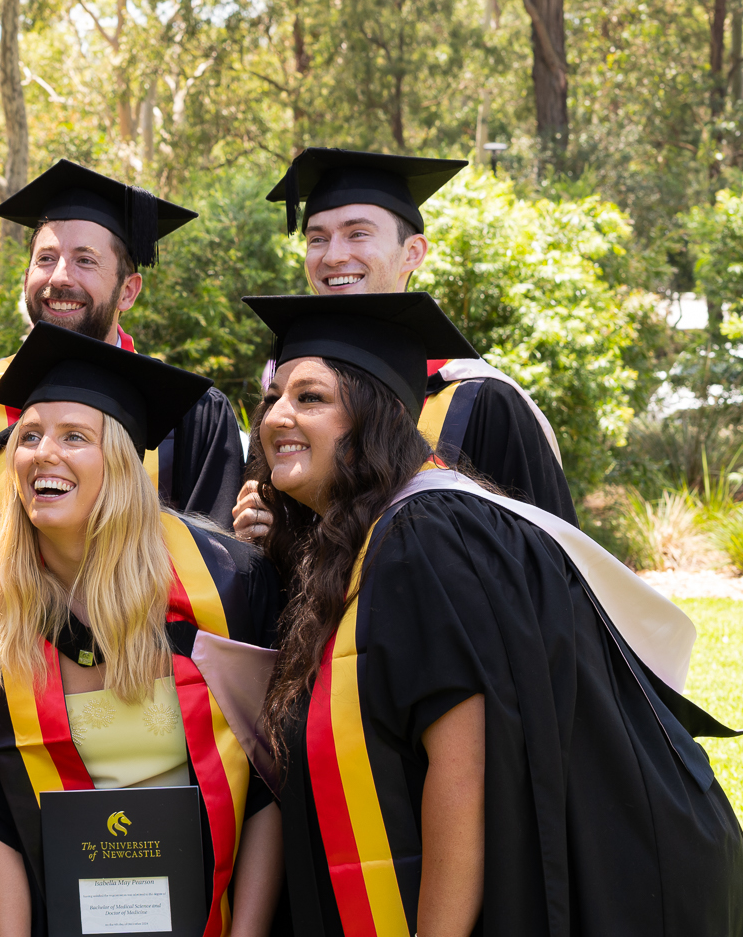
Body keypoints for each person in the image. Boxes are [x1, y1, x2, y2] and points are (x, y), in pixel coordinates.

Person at [244, 292, 743, 936]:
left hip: (606, 884)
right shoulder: (373, 538)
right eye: (273, 397)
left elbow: (464, 772)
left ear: (376, 418)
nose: (277, 416)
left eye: (310, 398)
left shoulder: (424, 532)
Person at [0, 324, 283, 937]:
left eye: (75, 436)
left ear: (123, 463)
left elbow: (265, 791)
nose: (44, 453)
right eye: (29, 435)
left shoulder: (229, 585)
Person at [232, 149, 577, 548]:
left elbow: (550, 563)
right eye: (317, 239)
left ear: (412, 252)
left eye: (358, 233)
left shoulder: (481, 400)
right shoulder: (286, 402)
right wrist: (265, 535)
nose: (333, 255)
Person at [0, 159, 247, 525]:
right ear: (25, 279)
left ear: (127, 291)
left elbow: (214, 568)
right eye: (46, 259)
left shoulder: (191, 414)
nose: (61, 277)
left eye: (85, 260)